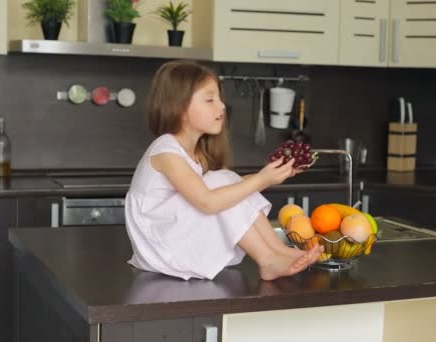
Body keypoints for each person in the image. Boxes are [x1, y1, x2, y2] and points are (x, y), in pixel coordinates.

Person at [125, 60, 322, 281]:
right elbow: (208, 202)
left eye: (219, 99)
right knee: (221, 181)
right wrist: (262, 180)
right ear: (179, 107)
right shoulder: (166, 150)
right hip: (158, 248)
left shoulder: (193, 151)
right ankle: (267, 259)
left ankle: (280, 251)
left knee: (227, 179)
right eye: (209, 100)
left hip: (170, 237)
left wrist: (270, 175)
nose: (221, 107)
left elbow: (229, 187)